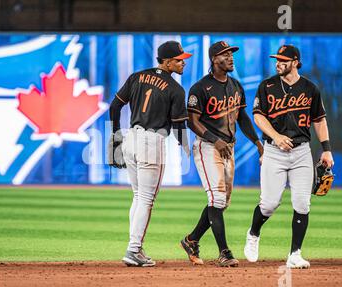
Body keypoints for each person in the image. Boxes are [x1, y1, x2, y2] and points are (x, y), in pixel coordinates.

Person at [243, 44, 334, 269]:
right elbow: (258, 117)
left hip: (302, 151)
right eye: (277, 59)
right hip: (274, 151)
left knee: (302, 203)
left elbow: (319, 120)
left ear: (295, 62)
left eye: (283, 60)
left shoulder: (310, 88)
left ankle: (295, 254)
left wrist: (327, 148)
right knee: (269, 204)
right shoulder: (268, 86)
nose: (278, 63)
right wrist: (276, 136)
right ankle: (253, 233)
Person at [108, 41, 192, 267]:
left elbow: (114, 107)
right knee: (146, 199)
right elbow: (178, 127)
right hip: (151, 142)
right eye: (179, 59)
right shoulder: (175, 88)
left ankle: (136, 247)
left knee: (137, 196)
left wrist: (116, 136)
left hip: (130, 139)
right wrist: (187, 147)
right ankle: (133, 249)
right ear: (166, 62)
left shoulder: (137, 77)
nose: (183, 62)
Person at [180, 41, 263, 267]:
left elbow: (242, 117)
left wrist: (257, 141)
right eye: (226, 54)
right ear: (214, 59)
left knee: (222, 203)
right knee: (215, 199)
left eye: (231, 54)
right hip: (208, 147)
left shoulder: (236, 85)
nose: (231, 57)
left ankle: (191, 239)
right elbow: (192, 122)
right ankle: (224, 253)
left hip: (229, 148)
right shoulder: (200, 88)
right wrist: (215, 141)